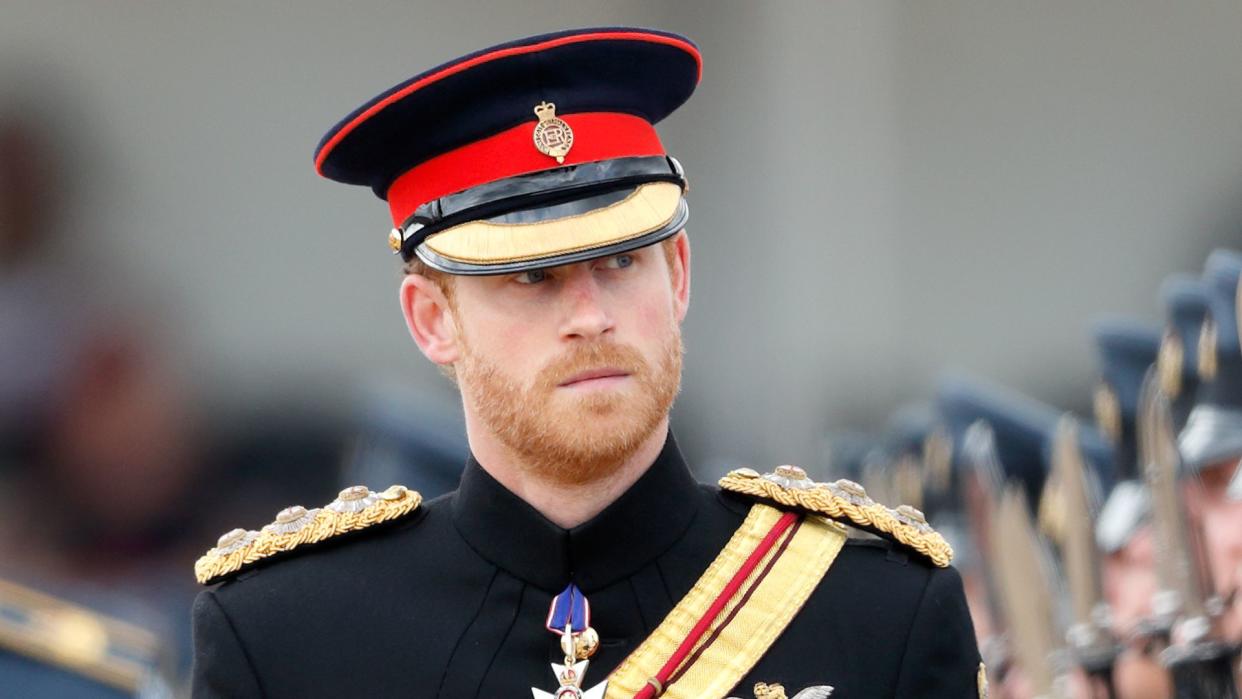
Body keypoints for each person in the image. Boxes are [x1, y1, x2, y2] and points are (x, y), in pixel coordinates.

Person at [190, 28, 981, 698]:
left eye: (622, 262)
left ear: (678, 274)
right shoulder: (286, 635)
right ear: (433, 321)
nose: (592, 317)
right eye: (532, 277)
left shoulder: (878, 611)